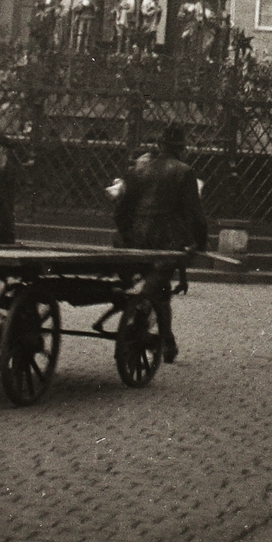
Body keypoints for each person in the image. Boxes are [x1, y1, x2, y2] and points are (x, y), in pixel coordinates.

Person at [114, 123, 207, 364]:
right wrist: (200, 243)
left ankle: (166, 339)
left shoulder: (140, 166)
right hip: (166, 242)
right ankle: (160, 335)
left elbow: (122, 207)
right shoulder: (184, 172)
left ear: (159, 145)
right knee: (159, 291)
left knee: (159, 291)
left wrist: (126, 235)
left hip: (136, 239)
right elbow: (195, 215)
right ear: (182, 149)